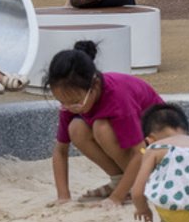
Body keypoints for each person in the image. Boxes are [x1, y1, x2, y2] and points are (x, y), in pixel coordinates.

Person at [47, 39, 163, 204]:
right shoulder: (70, 101)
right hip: (137, 152)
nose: (69, 107)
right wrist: (63, 196)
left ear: (94, 85)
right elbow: (60, 151)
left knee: (101, 127)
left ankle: (137, 184)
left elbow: (141, 152)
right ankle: (120, 181)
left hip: (155, 149)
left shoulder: (118, 98)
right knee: (76, 128)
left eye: (75, 102)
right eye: (62, 102)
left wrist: (116, 198)